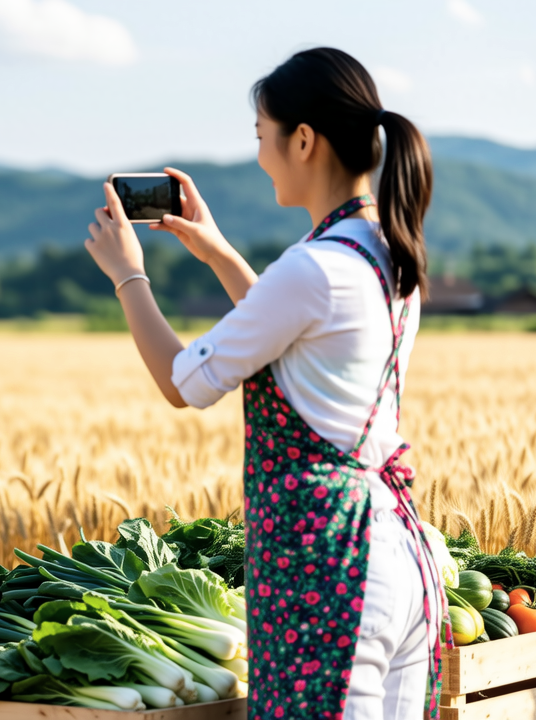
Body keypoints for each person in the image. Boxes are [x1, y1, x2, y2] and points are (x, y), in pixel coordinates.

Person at [83, 48, 447, 720]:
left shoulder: (312, 268)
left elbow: (181, 381)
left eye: (261, 136)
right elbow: (291, 337)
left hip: (329, 569)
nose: (258, 157)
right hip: (398, 553)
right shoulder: (385, 252)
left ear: (302, 140)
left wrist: (127, 275)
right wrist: (216, 248)